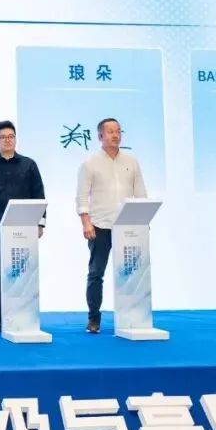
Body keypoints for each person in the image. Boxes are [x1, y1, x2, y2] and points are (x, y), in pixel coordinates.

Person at [0, 121, 46, 333]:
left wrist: (40, 223)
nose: (7, 140)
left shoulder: (29, 165)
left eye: (11, 136)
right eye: (3, 137)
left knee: (25, 271)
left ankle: (26, 314)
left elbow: (39, 194)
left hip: (24, 228)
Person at [76, 117, 147, 334]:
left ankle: (132, 316)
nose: (115, 135)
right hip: (100, 225)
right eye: (110, 131)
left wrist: (143, 221)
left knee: (132, 273)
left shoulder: (132, 162)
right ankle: (94, 319)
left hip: (128, 227)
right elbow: (81, 197)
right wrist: (86, 222)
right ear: (100, 136)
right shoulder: (90, 164)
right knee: (96, 273)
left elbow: (141, 194)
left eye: (118, 131)